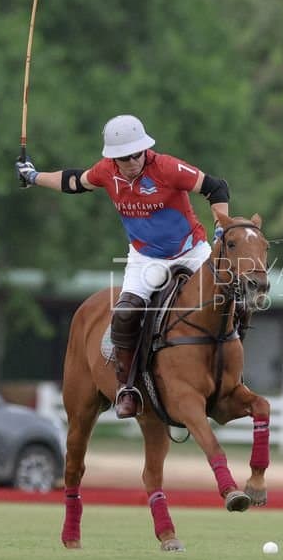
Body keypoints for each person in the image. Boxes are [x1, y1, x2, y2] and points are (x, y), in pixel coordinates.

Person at [16, 114, 231, 418]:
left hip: (190, 250)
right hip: (146, 258)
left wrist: (221, 225)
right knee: (126, 312)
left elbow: (216, 187)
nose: (131, 161)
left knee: (224, 300)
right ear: (112, 158)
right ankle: (127, 389)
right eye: (123, 157)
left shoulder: (167, 167)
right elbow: (75, 181)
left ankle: (229, 377)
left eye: (136, 154)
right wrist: (34, 176)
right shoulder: (106, 172)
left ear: (145, 149)